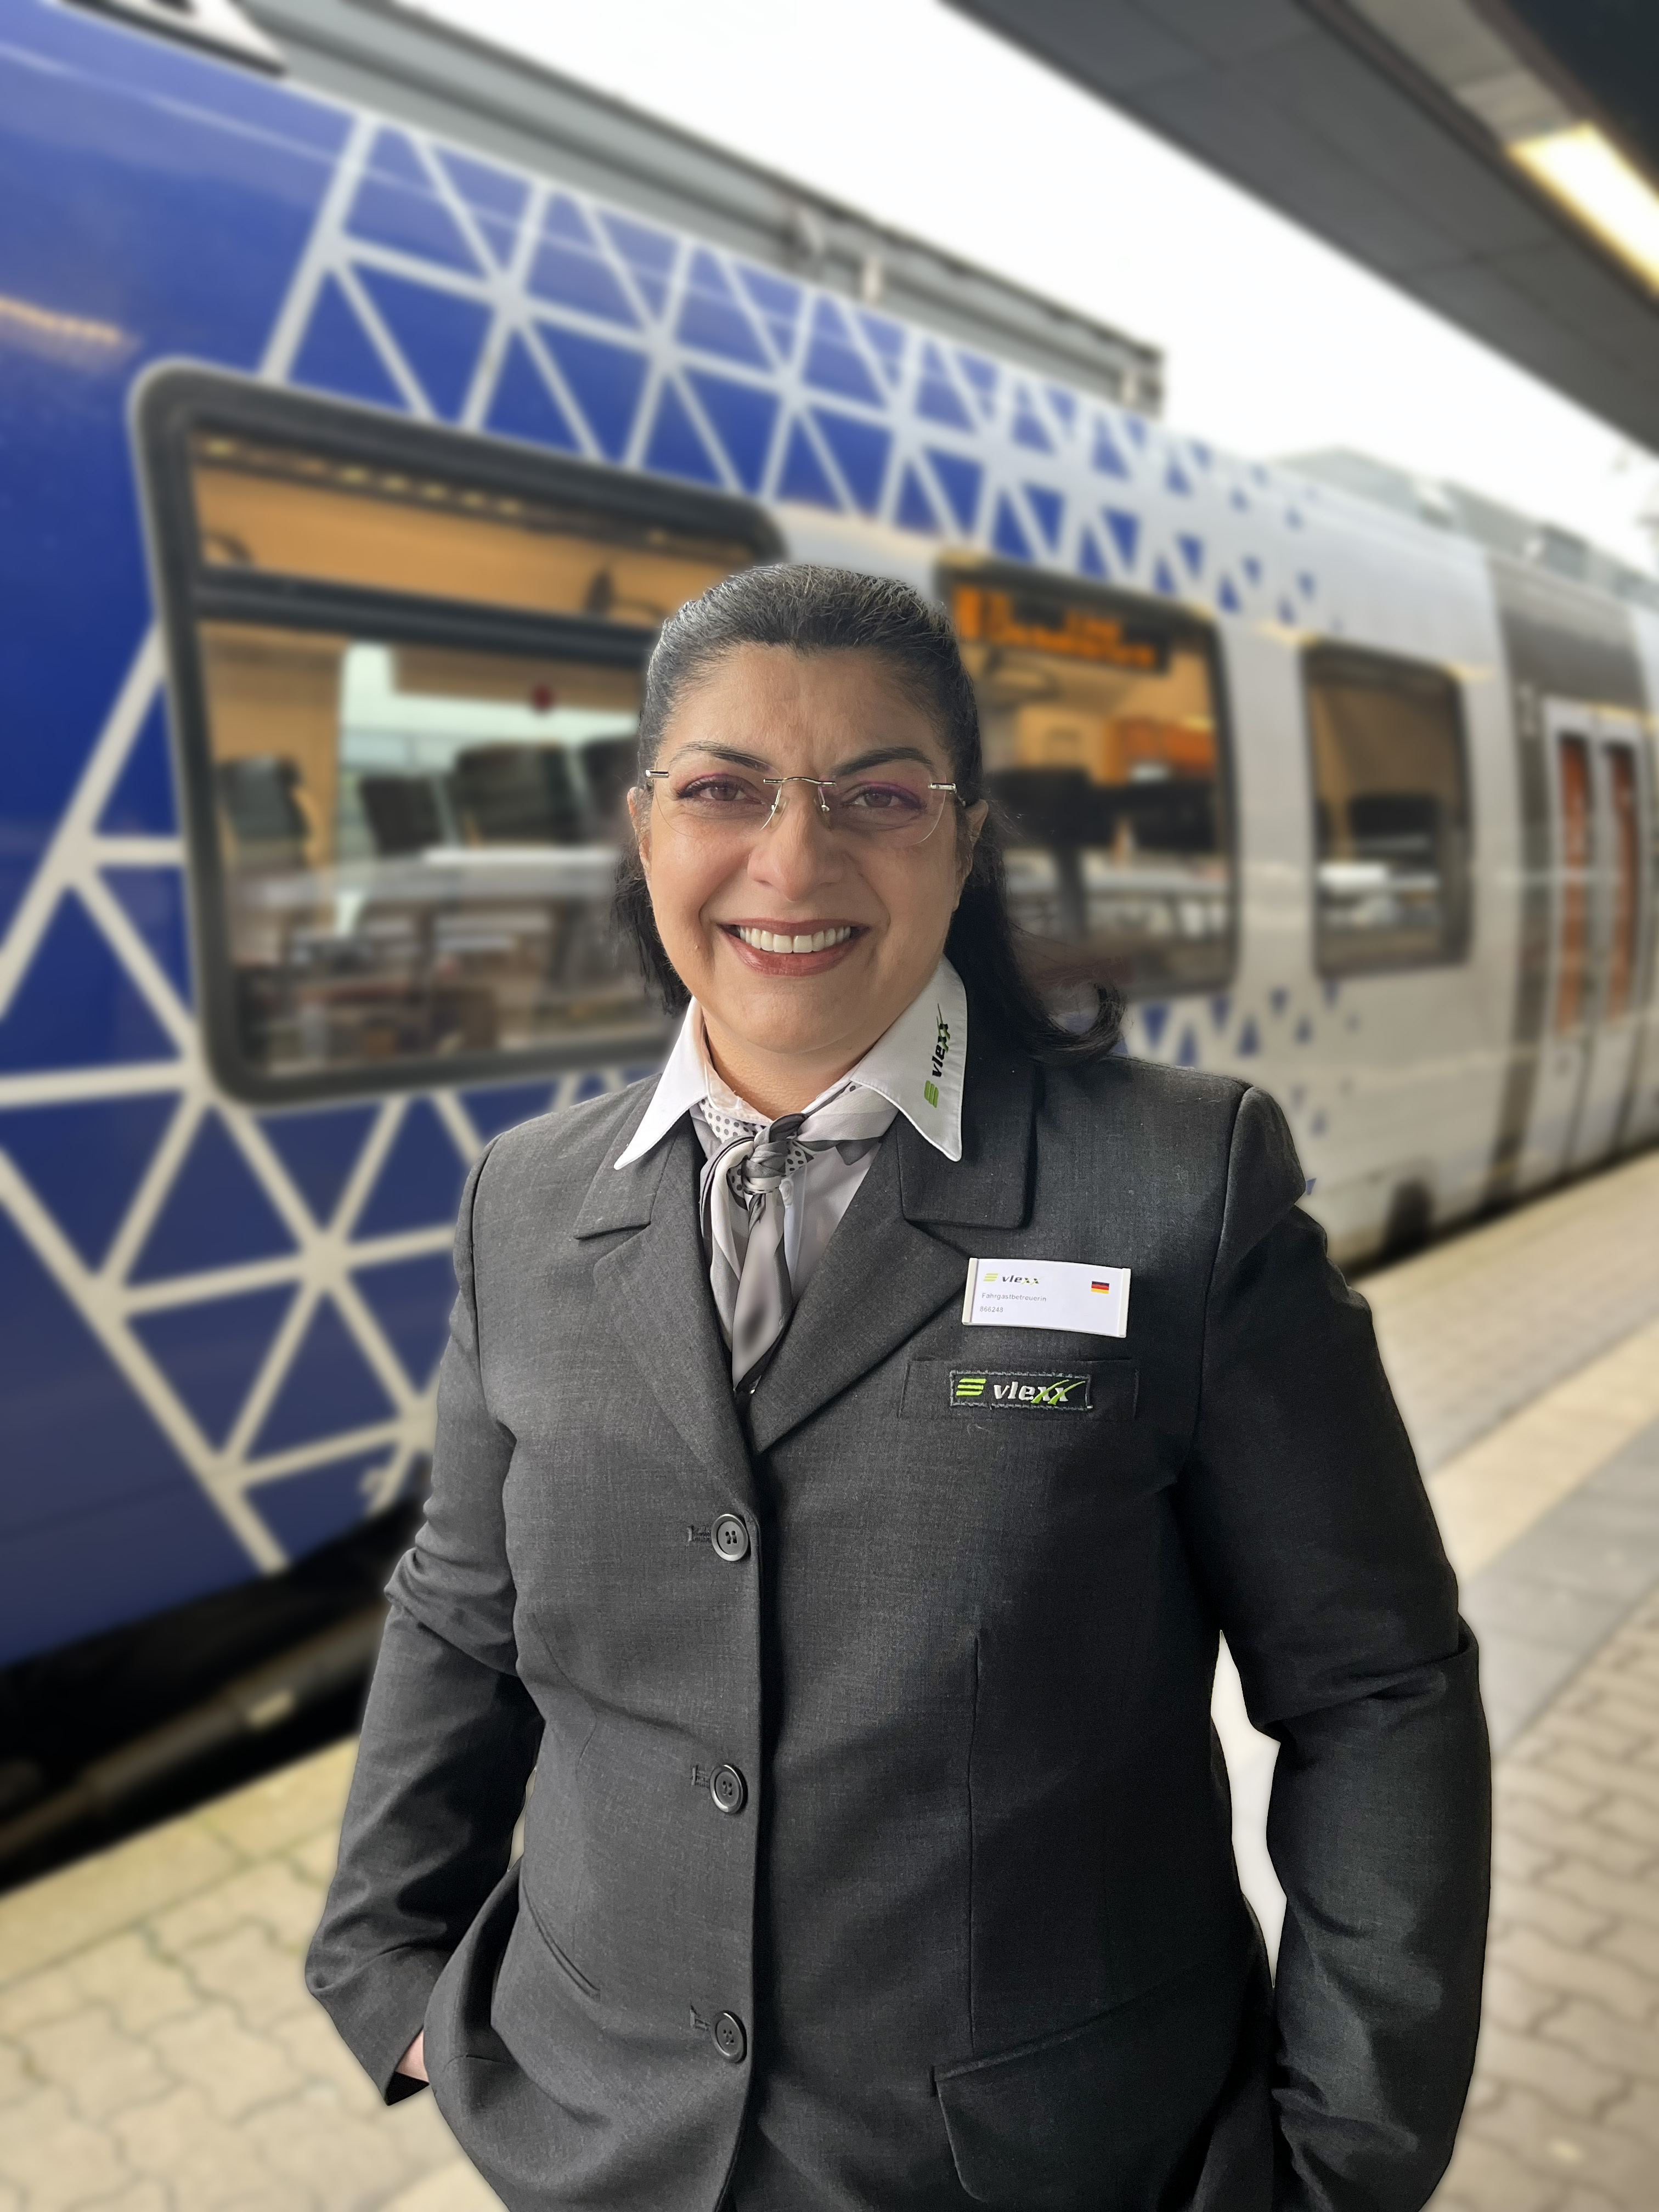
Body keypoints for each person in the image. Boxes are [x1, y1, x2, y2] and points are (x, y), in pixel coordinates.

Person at [307, 565, 1489, 2212]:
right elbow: (459, 1612)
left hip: (1042, 2166)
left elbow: (1375, 1689)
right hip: (596, 2140)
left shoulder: (1178, 1187)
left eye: (877, 795)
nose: (793, 862)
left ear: (965, 837)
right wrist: (386, 1966)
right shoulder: (525, 1199)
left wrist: (1337, 2163)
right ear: (646, 826)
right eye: (723, 790)